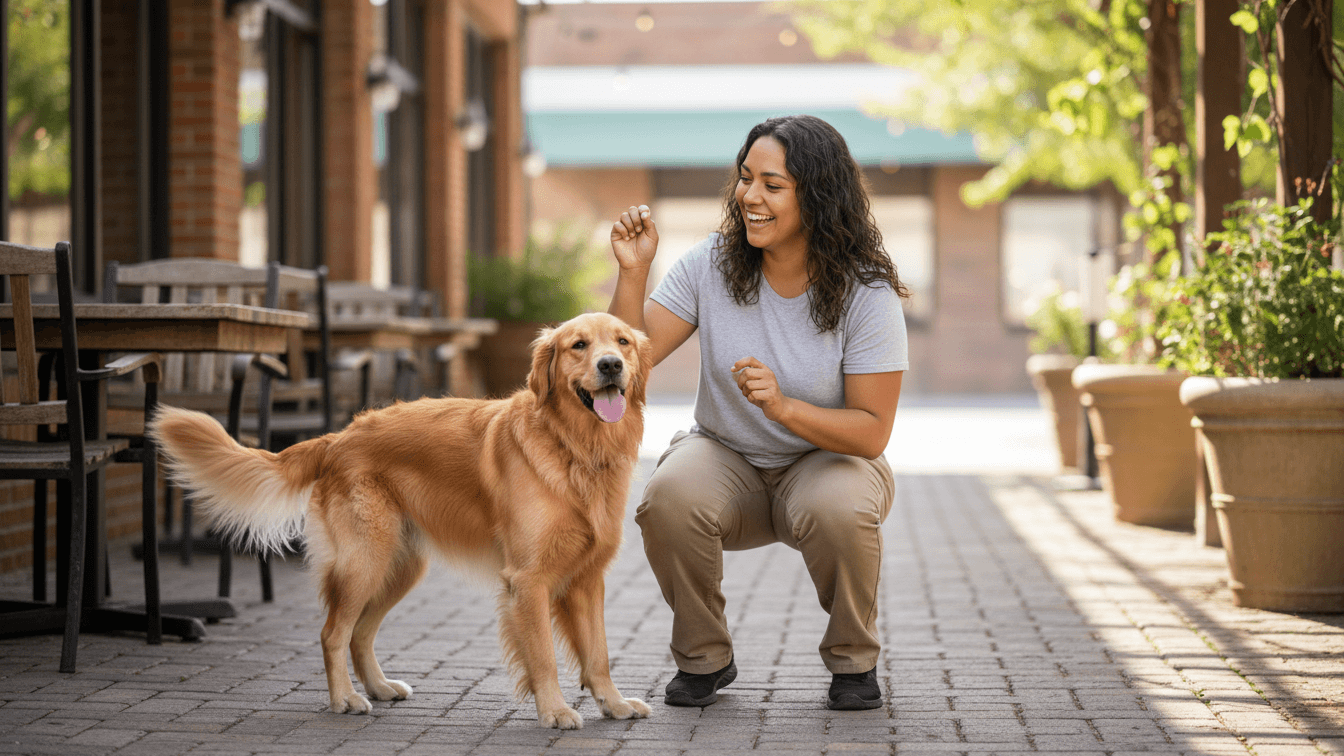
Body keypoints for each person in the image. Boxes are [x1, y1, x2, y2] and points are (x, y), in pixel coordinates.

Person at [607, 114, 910, 711]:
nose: (749, 196)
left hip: (828, 460)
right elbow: (630, 357)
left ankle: (853, 662)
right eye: (746, 179)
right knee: (666, 498)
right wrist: (634, 270)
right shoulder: (712, 262)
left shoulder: (866, 292)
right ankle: (704, 658)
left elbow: (872, 431)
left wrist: (784, 406)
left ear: (817, 197)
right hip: (726, 454)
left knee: (842, 510)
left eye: (772, 185)